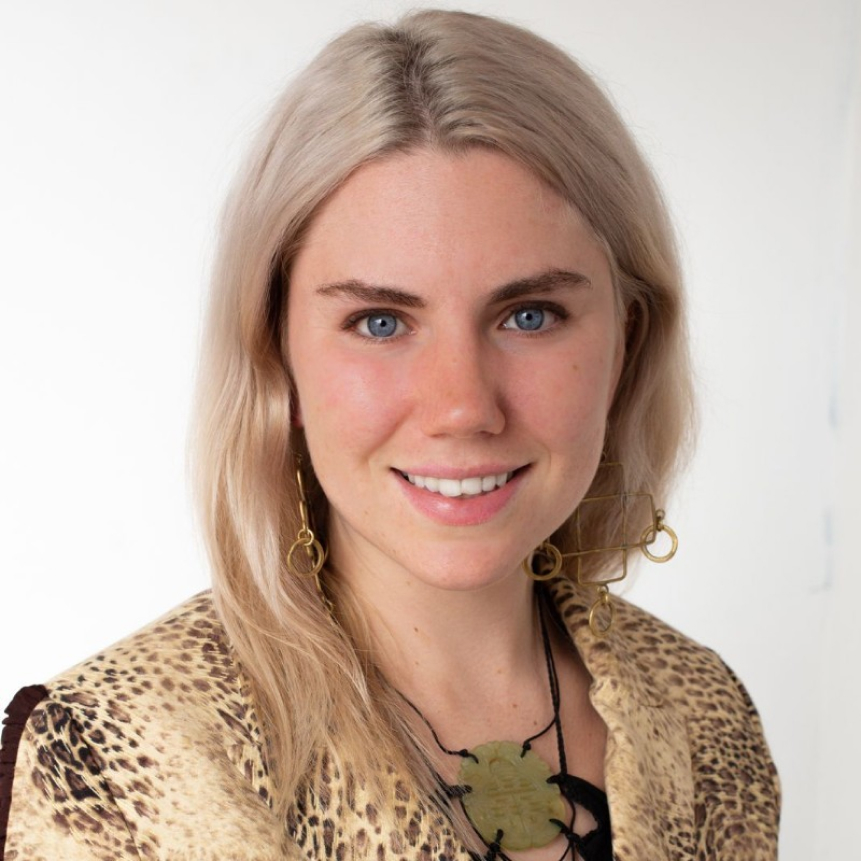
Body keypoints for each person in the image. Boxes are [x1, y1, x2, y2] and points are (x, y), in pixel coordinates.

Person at [0, 8, 780, 861]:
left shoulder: (701, 717)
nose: (462, 406)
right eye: (379, 321)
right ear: (276, 357)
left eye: (528, 314)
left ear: (626, 341)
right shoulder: (123, 753)